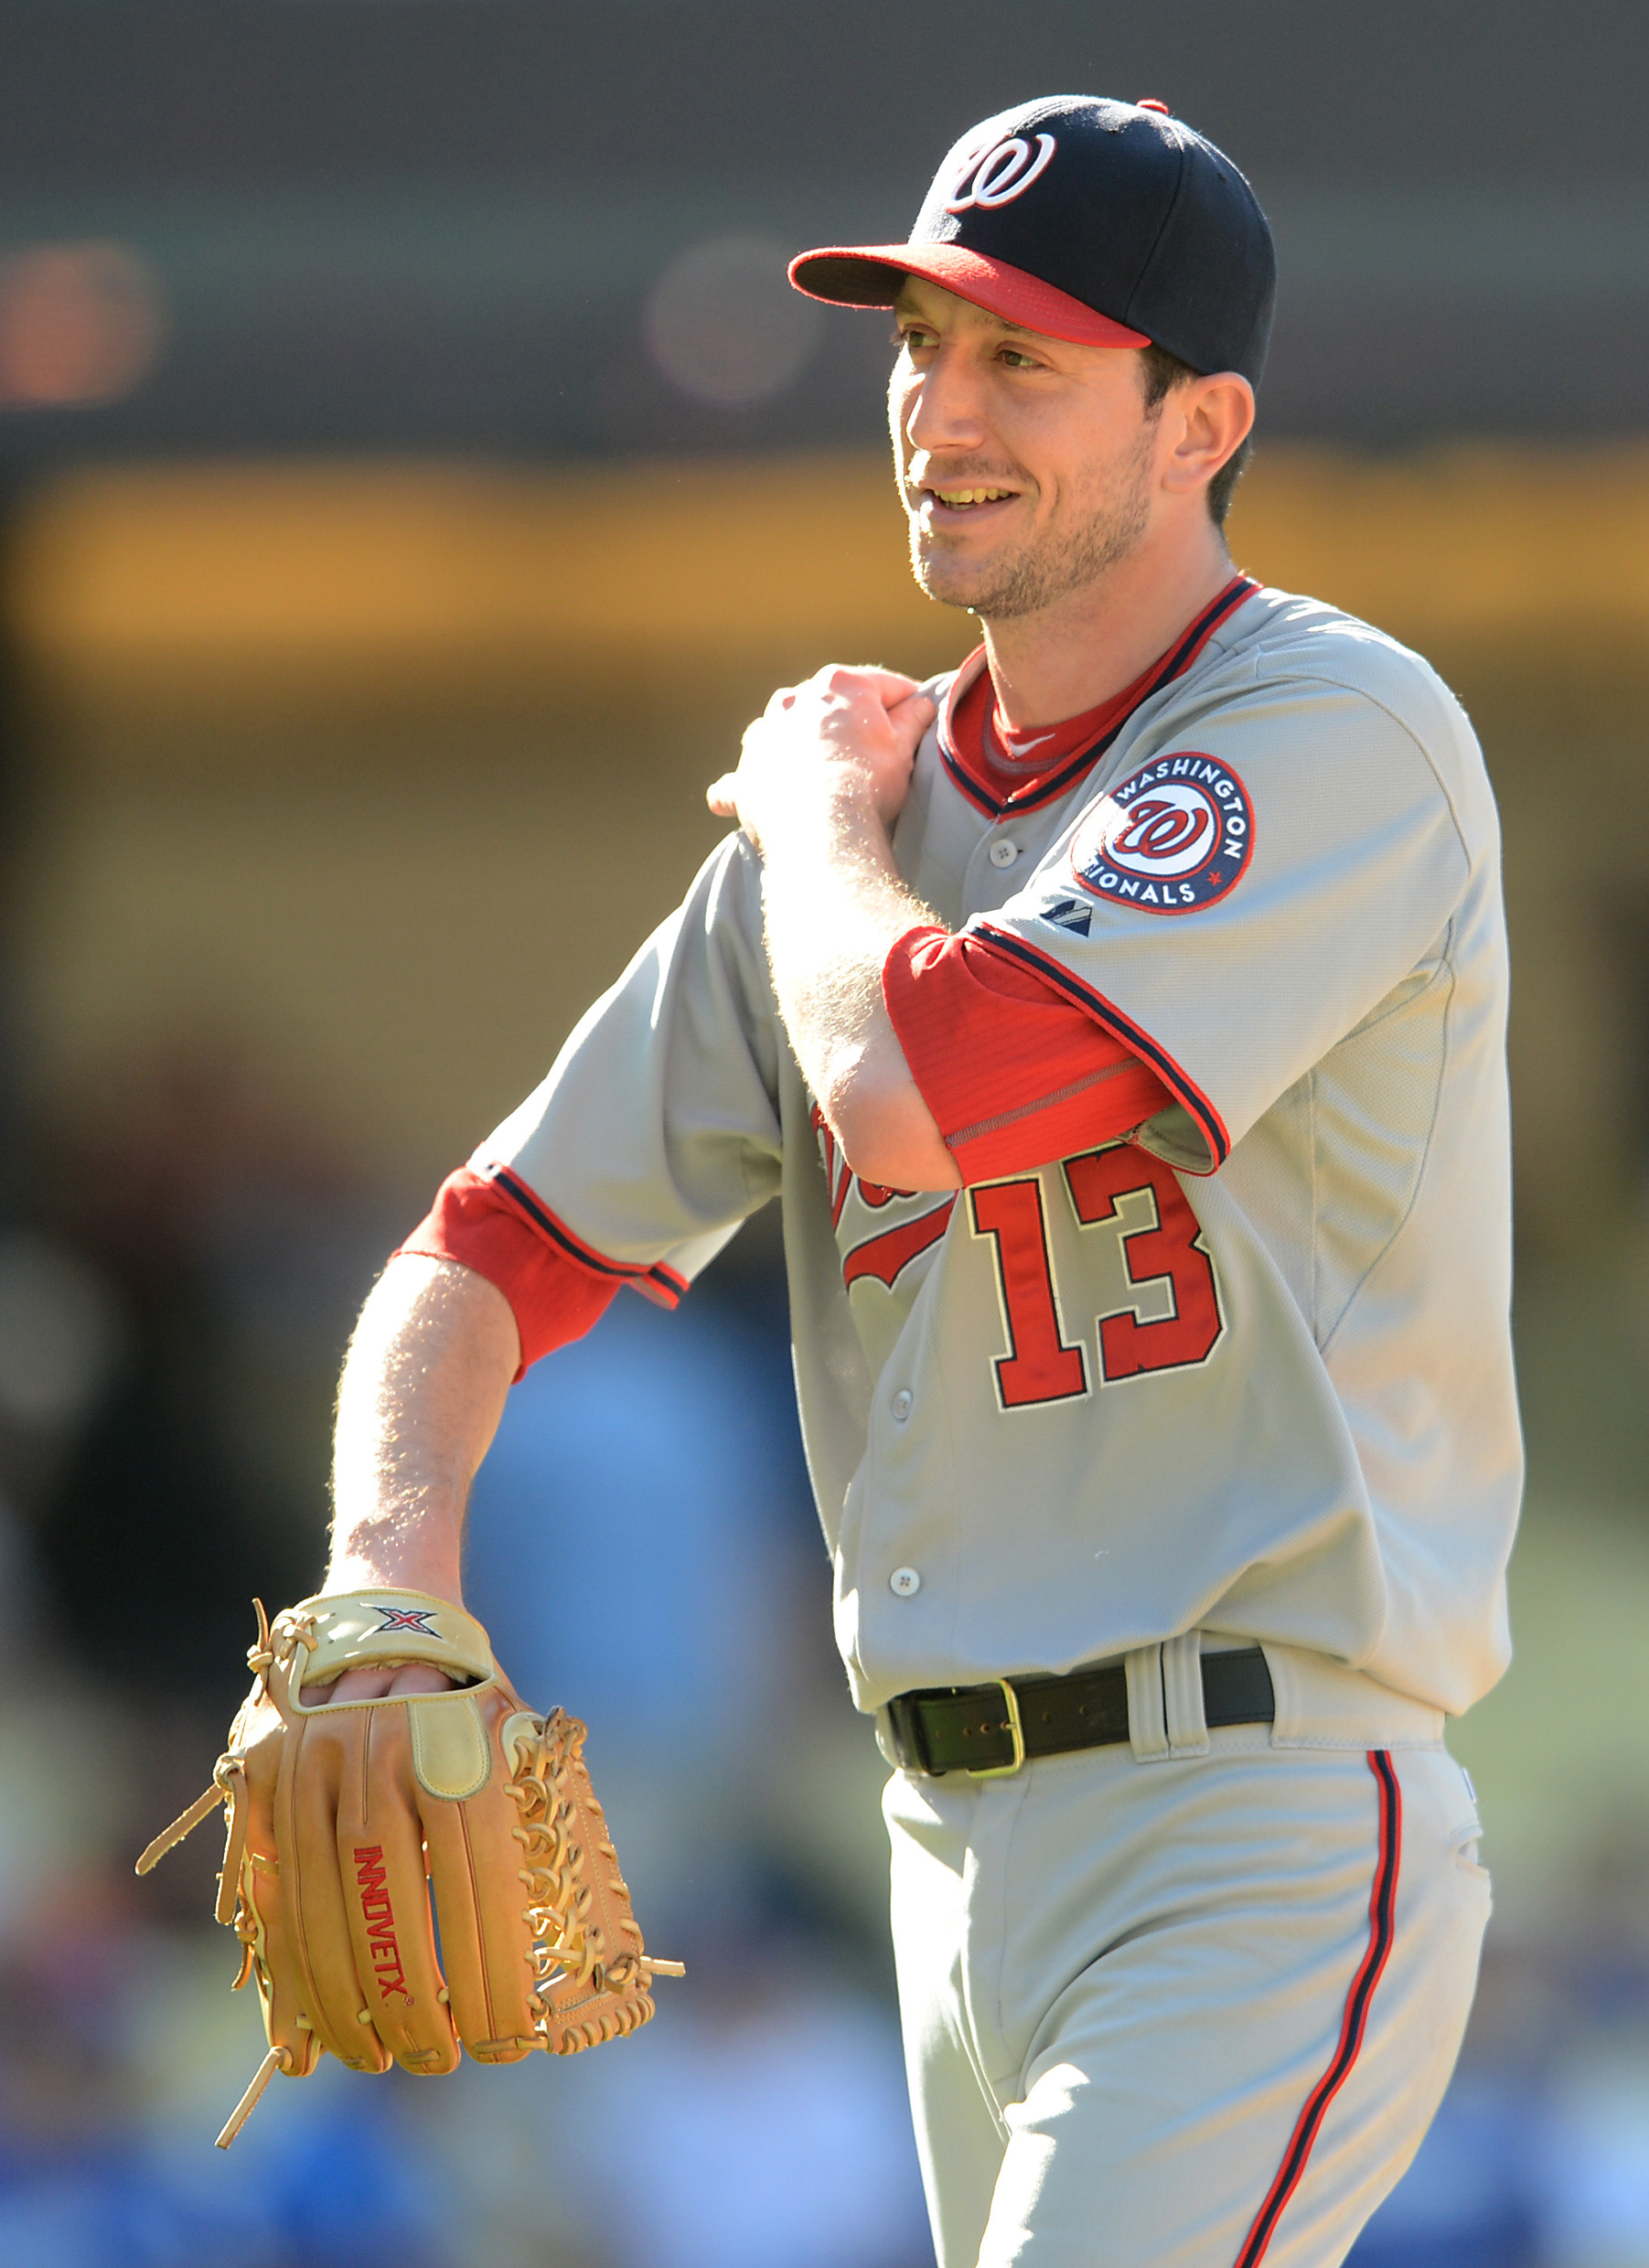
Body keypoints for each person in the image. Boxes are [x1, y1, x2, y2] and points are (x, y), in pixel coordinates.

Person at [316, 96, 1515, 2268]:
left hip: (1242, 1801)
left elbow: (920, 1096)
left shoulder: (1327, 727)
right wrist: (387, 1579)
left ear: (1197, 421)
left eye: (1021, 364)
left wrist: (809, 830)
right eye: (916, 348)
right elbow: (480, 1251)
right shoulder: (835, 836)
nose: (935, 414)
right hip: (941, 1842)